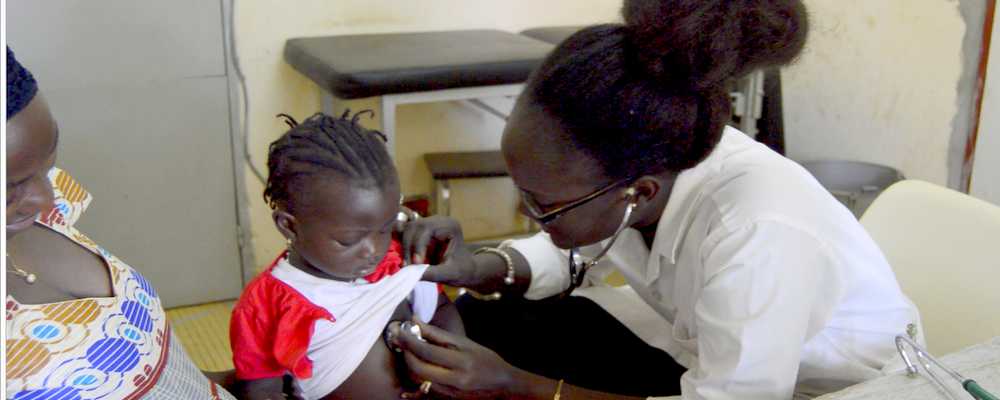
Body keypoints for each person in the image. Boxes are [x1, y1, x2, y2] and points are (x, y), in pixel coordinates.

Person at [390, 1, 922, 399]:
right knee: (494, 323)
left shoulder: (759, 233)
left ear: (636, 194)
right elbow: (574, 244)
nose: (532, 215)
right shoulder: (655, 157)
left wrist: (518, 386)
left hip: (824, 390)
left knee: (503, 364)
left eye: (542, 206)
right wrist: (479, 267)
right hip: (689, 347)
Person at [5, 47, 237, 399]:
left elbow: (144, 360)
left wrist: (230, 381)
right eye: (9, 190)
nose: (46, 198)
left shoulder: (44, 213)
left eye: (49, 155)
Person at [229, 113, 464, 400]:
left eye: (385, 228)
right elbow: (261, 389)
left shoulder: (397, 258)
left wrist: (452, 368)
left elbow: (439, 310)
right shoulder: (266, 305)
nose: (373, 249)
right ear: (289, 226)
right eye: (349, 240)